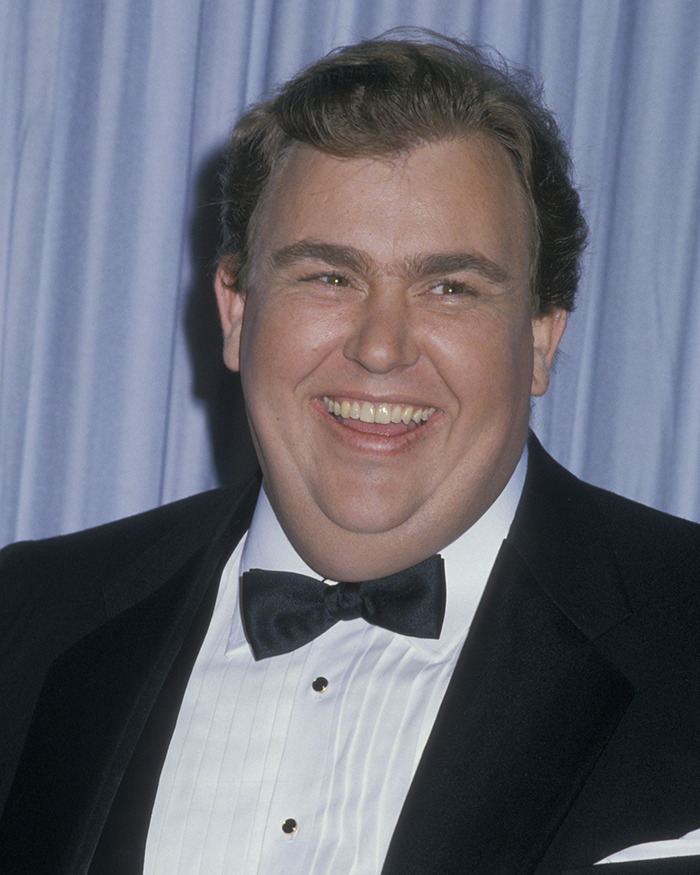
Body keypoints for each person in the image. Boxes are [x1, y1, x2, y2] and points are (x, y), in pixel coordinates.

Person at [1, 30, 699, 875]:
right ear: (235, 309)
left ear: (542, 338)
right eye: (329, 276)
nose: (380, 346)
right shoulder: (24, 622)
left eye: (451, 287)